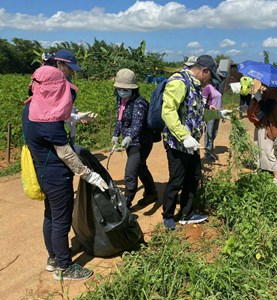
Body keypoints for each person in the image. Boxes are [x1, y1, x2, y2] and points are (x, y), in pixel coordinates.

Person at [22, 66, 108, 281]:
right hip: (56, 176)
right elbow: (68, 155)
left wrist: (74, 118)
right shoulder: (48, 124)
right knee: (61, 219)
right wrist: (89, 175)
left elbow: (52, 114)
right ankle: (65, 267)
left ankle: (53, 258)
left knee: (51, 215)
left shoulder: (31, 109)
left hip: (42, 171)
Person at [161, 55, 231, 230]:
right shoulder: (179, 82)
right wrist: (184, 137)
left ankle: (186, 213)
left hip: (192, 144)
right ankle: (168, 215)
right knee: (177, 180)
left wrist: (218, 114)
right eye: (210, 77)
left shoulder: (196, 86)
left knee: (193, 177)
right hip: (177, 143)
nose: (210, 82)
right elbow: (168, 112)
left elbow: (198, 114)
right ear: (204, 71)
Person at [111, 68, 157, 209]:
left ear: (133, 89)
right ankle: (151, 193)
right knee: (141, 167)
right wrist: (115, 134)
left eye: (125, 89)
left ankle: (125, 205)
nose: (122, 91)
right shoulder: (121, 99)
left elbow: (137, 124)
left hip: (141, 143)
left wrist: (129, 137)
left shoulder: (140, 103)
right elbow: (120, 119)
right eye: (119, 88)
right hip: (129, 142)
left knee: (130, 174)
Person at [54, 50, 97, 146]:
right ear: (59, 64)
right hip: (56, 133)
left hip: (68, 129)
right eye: (69, 68)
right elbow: (56, 112)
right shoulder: (52, 85)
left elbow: (67, 106)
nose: (72, 71)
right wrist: (76, 117)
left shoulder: (66, 81)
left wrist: (78, 113)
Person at [253, 84, 277, 186]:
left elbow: (267, 109)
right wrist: (255, 98)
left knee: (267, 151)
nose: (262, 83)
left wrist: (259, 99)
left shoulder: (273, 93)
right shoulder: (266, 92)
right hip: (260, 124)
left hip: (268, 126)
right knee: (257, 148)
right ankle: (258, 169)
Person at [202, 80, 223, 160]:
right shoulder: (207, 88)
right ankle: (207, 152)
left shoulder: (218, 88)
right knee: (209, 133)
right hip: (210, 113)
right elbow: (203, 102)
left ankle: (210, 149)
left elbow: (220, 101)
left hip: (217, 113)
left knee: (214, 132)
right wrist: (208, 106)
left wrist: (222, 112)